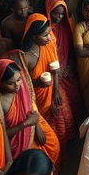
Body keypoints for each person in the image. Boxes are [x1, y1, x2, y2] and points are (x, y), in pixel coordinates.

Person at [0, 59, 59, 164]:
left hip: (32, 128)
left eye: (19, 79)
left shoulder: (21, 88)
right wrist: (25, 124)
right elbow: (0, 135)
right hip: (15, 145)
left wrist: (37, 126)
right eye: (11, 83)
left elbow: (30, 107)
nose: (17, 85)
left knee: (52, 146)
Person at [23, 13, 75, 148]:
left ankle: (64, 149)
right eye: (45, 35)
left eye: (49, 33)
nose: (49, 37)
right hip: (38, 100)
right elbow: (24, 85)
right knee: (48, 131)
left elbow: (55, 68)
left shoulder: (49, 44)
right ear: (34, 36)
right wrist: (38, 83)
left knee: (63, 120)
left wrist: (56, 91)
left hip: (54, 89)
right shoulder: (26, 57)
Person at [45, 0, 82, 118]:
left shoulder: (68, 25)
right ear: (49, 10)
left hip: (67, 69)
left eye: (62, 14)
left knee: (75, 97)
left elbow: (73, 48)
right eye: (56, 13)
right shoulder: (45, 30)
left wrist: (70, 66)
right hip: (53, 72)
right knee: (61, 105)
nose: (59, 17)